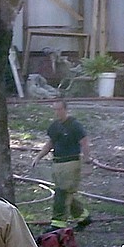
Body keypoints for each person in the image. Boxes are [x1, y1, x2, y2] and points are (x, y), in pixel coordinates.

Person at [31, 99, 92, 230]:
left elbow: (85, 143)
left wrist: (87, 163)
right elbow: (50, 143)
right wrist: (38, 157)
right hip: (57, 163)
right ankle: (83, 217)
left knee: (62, 193)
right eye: (55, 109)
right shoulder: (55, 126)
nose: (57, 112)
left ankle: (57, 224)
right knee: (65, 193)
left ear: (65, 109)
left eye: (59, 109)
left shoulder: (75, 125)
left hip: (71, 163)